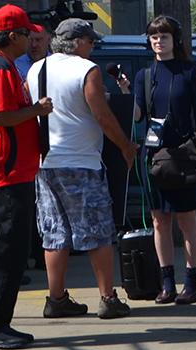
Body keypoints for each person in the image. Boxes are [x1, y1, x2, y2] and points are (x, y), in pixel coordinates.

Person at [27, 19, 138, 320]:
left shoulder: (37, 68)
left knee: (55, 233)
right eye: (90, 41)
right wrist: (125, 146)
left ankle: (56, 298)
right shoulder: (85, 70)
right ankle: (108, 297)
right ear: (77, 42)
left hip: (47, 164)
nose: (93, 46)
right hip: (82, 163)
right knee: (98, 231)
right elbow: (101, 114)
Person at [0, 5, 53, 350]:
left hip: (4, 171)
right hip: (5, 173)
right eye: (26, 34)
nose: (31, 40)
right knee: (9, 253)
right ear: (13, 36)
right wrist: (37, 109)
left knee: (1, 251)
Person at [133, 15, 196, 305]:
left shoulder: (189, 72)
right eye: (153, 36)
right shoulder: (145, 75)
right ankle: (167, 283)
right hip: (155, 156)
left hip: (182, 153)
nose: (158, 41)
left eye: (163, 36)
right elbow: (138, 116)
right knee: (159, 220)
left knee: (187, 220)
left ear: (175, 40)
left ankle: (191, 284)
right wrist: (128, 91)